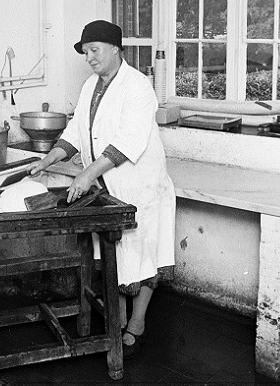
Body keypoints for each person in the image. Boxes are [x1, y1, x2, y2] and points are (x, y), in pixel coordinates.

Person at [29, 20, 176, 358]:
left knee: (142, 253)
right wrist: (48, 159)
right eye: (85, 52)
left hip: (140, 185)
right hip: (109, 184)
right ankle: (118, 319)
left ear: (115, 49)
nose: (89, 58)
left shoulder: (138, 86)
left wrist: (86, 175)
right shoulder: (91, 86)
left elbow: (128, 141)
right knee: (118, 253)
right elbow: (76, 131)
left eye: (94, 50)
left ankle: (135, 323)